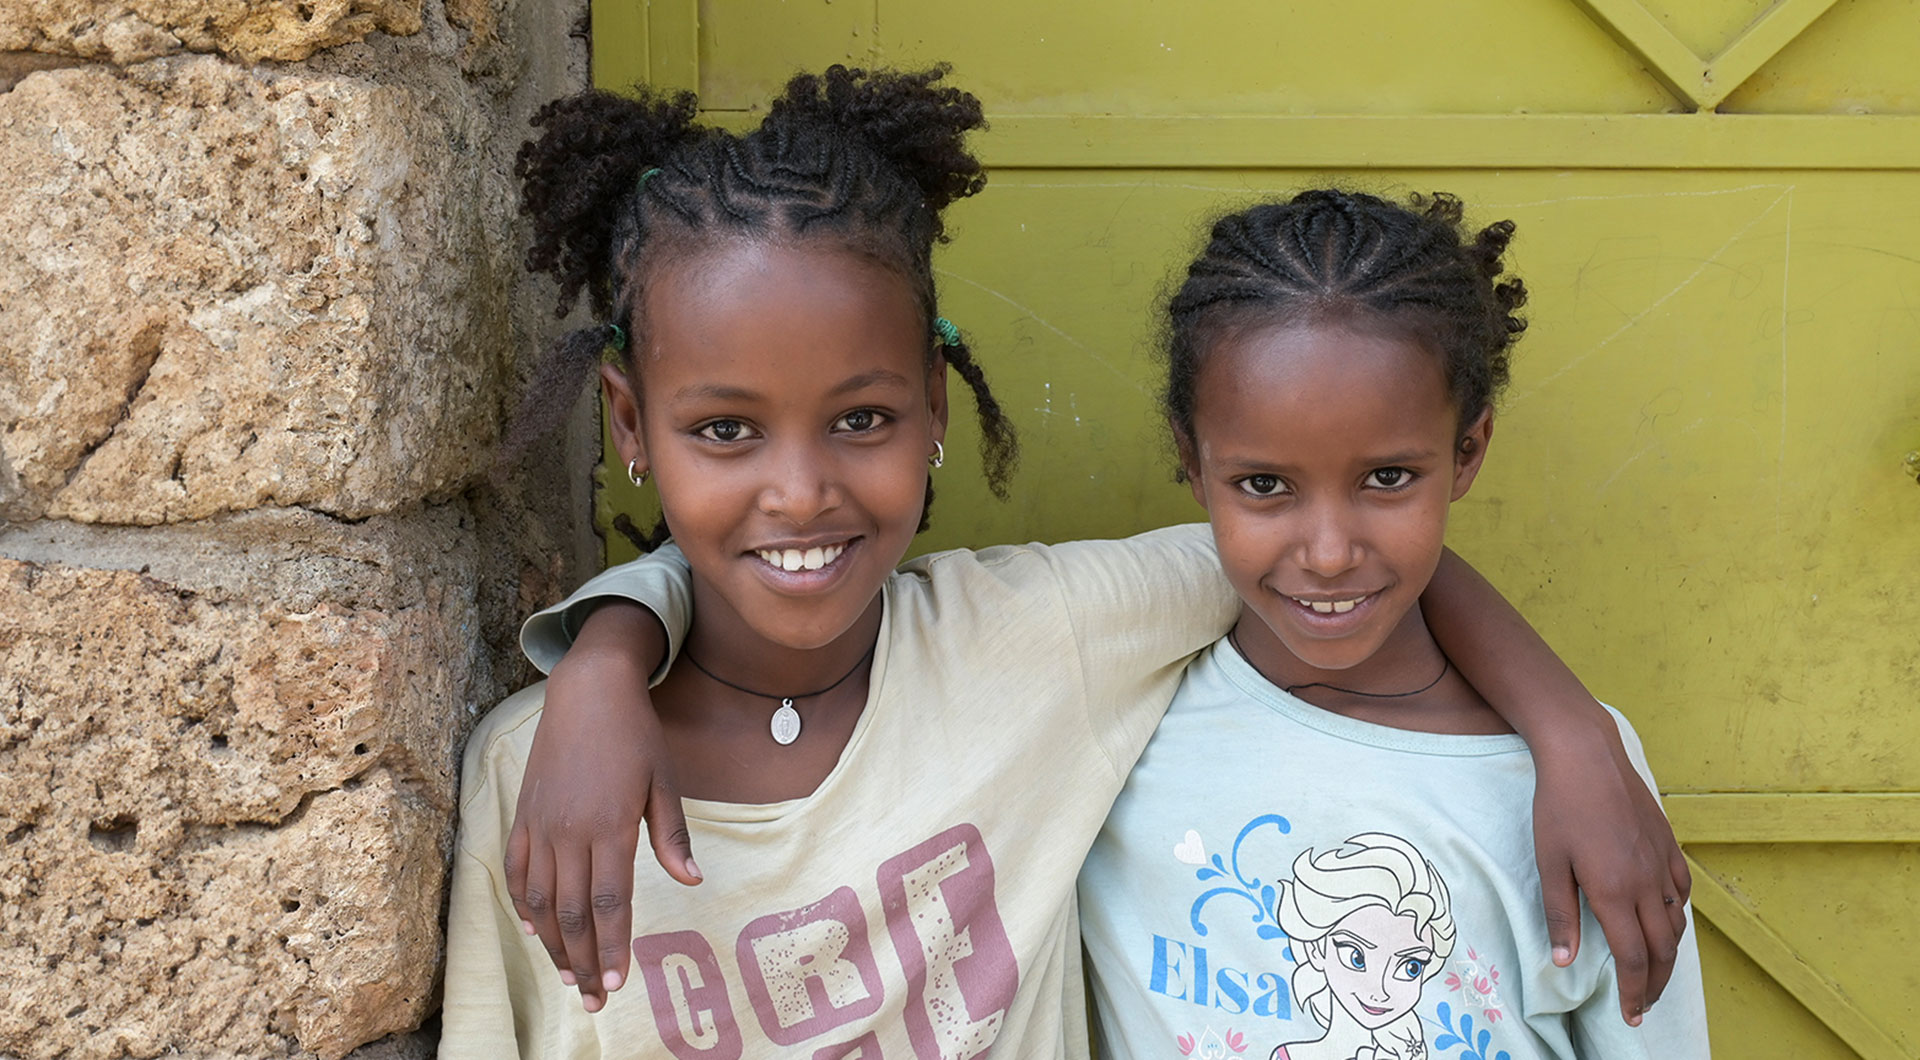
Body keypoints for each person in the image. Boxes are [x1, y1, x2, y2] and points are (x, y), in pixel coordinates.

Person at [442, 65, 1688, 1058]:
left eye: (862, 419)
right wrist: (608, 656)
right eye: (725, 430)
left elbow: (1330, 560)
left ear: (936, 405)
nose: (800, 489)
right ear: (627, 426)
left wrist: (1573, 736)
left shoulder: (1047, 644)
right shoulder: (529, 776)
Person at [1075, 190, 1708, 1059]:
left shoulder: (1578, 784)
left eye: (1386, 480)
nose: (1329, 553)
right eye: (1264, 485)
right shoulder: (1110, 723)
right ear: (1191, 460)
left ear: (1468, 452)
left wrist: (1569, 732)